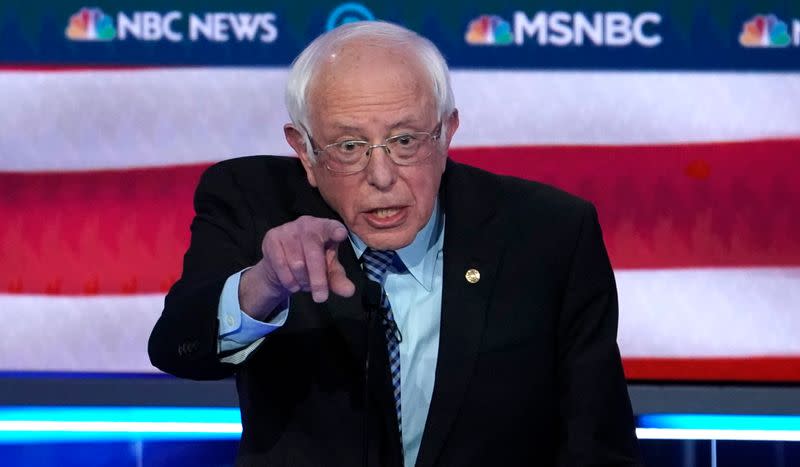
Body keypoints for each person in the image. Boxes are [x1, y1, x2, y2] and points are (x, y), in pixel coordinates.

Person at [148, 21, 641, 467]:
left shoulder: (548, 234)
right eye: (348, 147)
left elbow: (599, 447)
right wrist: (265, 283)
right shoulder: (253, 202)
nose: (381, 176)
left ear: (446, 133)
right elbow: (177, 347)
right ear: (304, 151)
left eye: (406, 141)